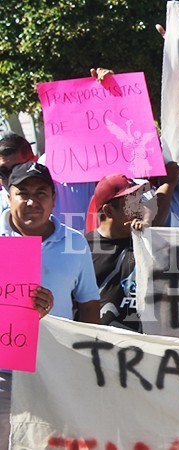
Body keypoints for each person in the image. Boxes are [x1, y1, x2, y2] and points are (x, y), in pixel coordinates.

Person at [0, 161, 99, 450]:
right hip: (3, 375)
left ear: (54, 199)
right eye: (23, 193)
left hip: (56, 372)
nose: (32, 202)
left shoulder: (75, 243)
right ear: (8, 196)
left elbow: (89, 306)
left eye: (41, 193)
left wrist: (87, 365)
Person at [85, 174, 149, 331]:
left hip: (144, 349)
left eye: (140, 202)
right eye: (132, 204)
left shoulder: (148, 244)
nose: (140, 209)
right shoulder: (83, 249)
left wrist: (149, 238)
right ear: (109, 211)